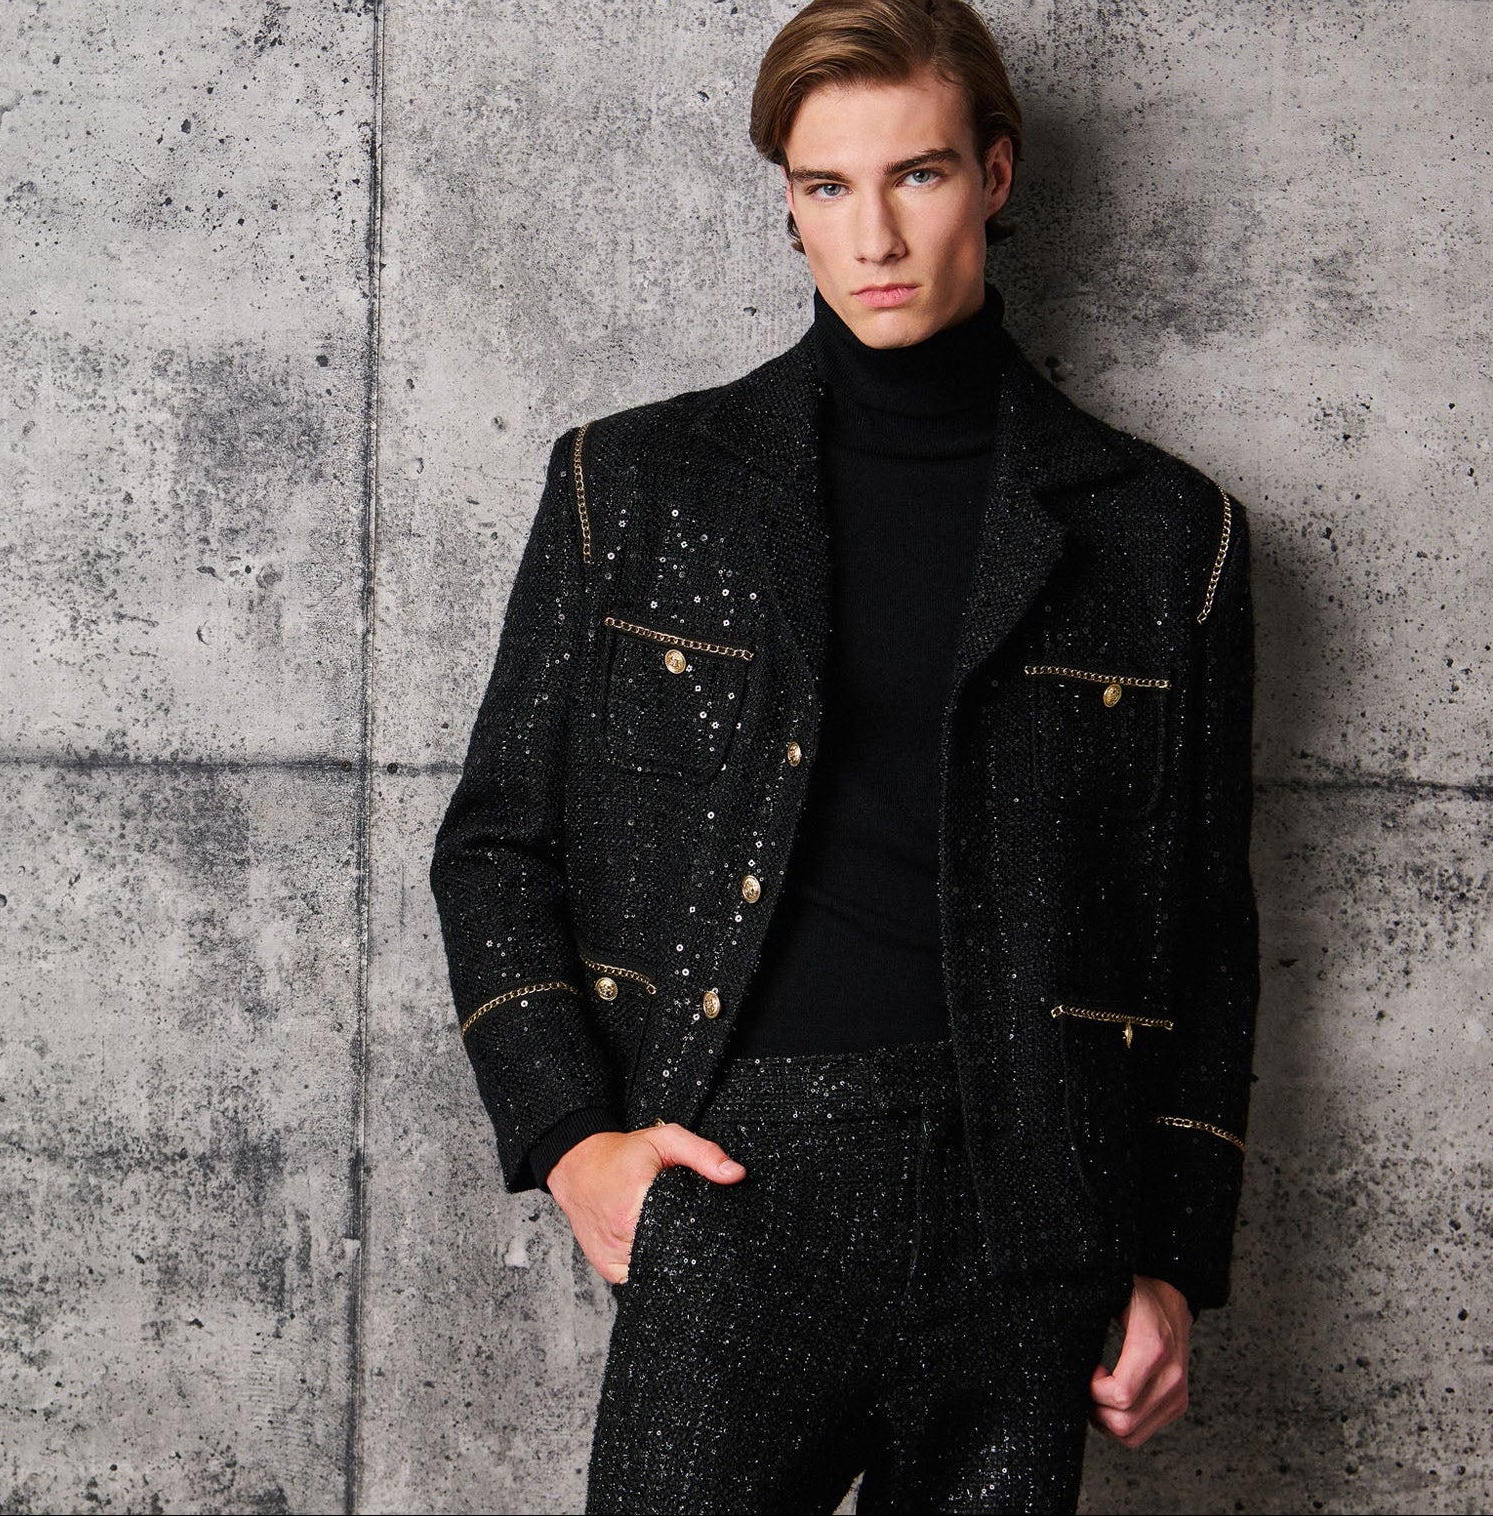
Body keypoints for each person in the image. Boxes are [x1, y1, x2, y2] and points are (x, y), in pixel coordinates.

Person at [428, 1, 1259, 1508]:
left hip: (1029, 1205)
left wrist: (1170, 1258)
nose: (873, 235)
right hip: (737, 1175)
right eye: (827, 186)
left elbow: (1201, 930)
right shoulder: (639, 483)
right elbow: (496, 845)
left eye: (917, 175)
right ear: (790, 203)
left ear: (995, 175)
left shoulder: (1161, 535)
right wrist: (571, 1142)